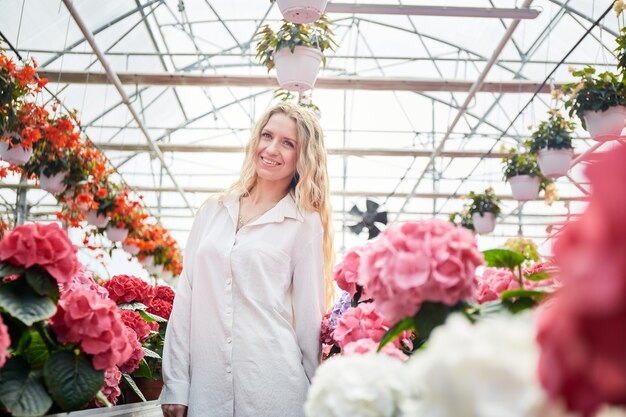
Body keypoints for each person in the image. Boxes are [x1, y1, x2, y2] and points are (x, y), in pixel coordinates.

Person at [160, 102, 335, 417]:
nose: (271, 148)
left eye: (287, 143)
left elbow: (309, 316)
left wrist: (318, 395)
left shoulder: (303, 223)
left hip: (274, 390)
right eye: (267, 135)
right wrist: (175, 384)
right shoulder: (213, 210)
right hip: (207, 392)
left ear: (302, 157)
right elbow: (185, 298)